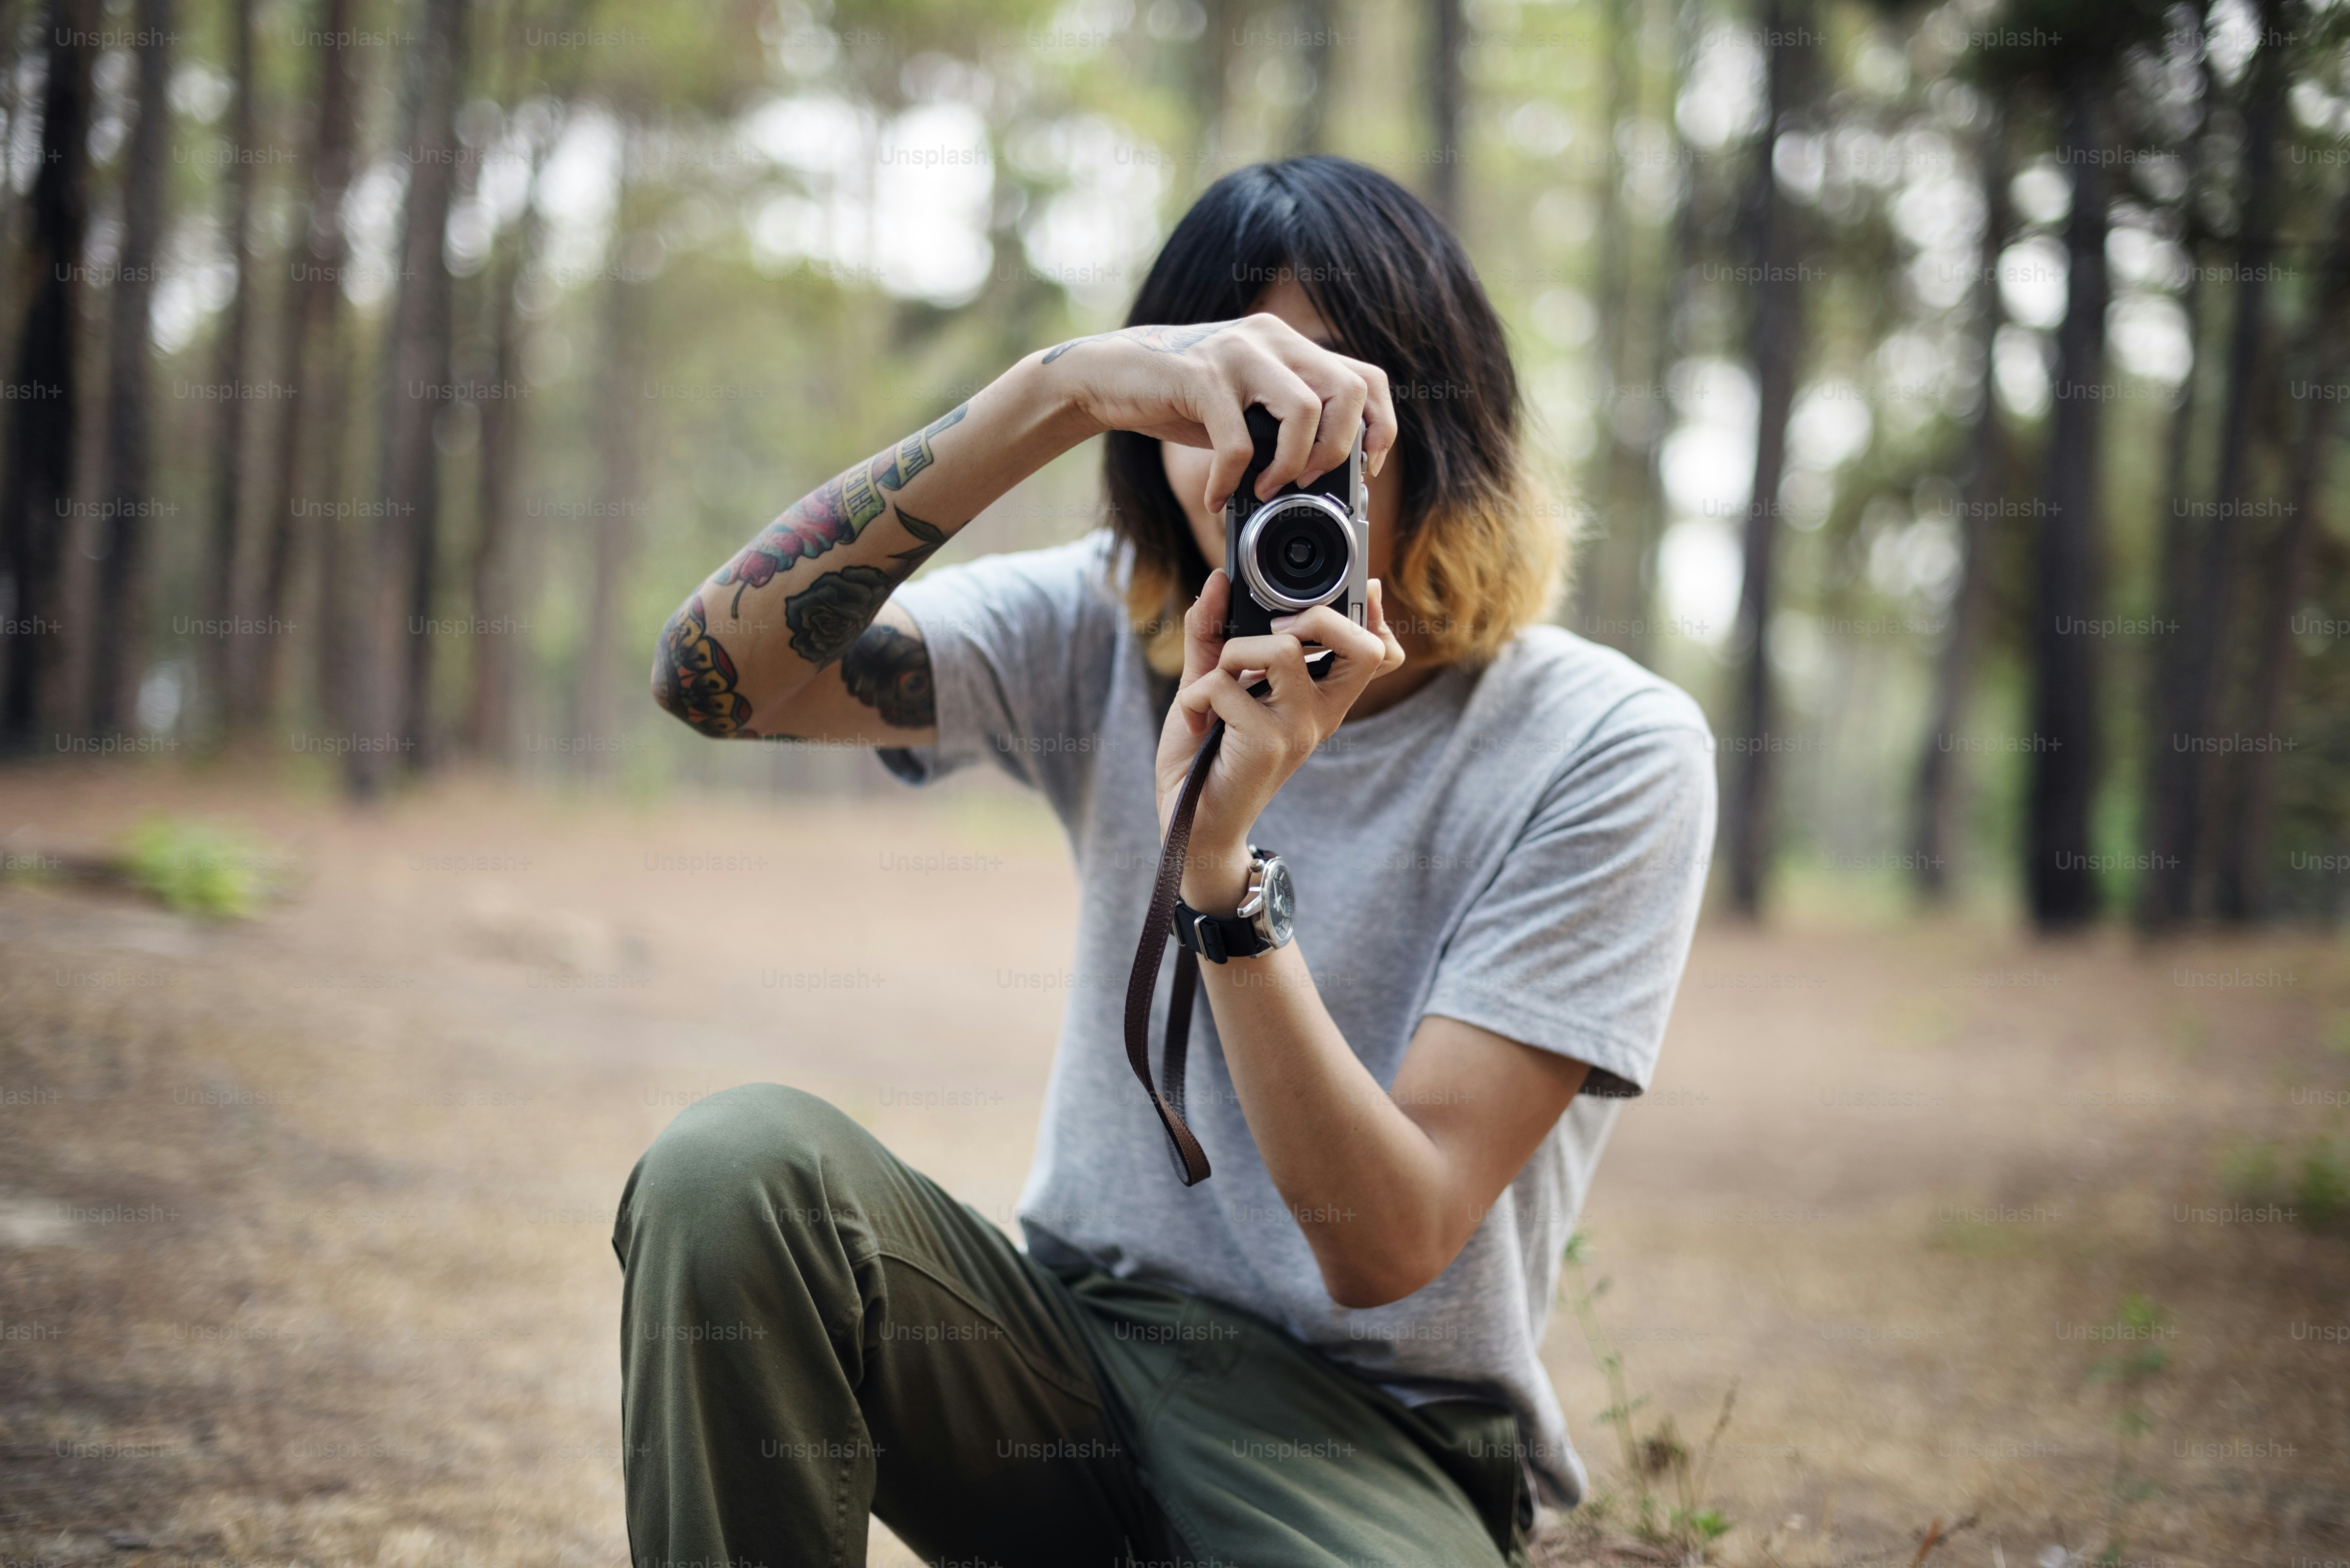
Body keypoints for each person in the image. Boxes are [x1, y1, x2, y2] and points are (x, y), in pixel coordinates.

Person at [619, 155, 1715, 1568]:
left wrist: (1219, 871)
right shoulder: (1103, 625)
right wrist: (1049, 392)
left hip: (1369, 1431)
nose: (1274, 465)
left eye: (1334, 413)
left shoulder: (1600, 745)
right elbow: (715, 681)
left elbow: (1384, 1245)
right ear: (1154, 432)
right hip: (1071, 1355)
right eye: (1234, 409)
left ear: (1441, 431)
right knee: (733, 1171)